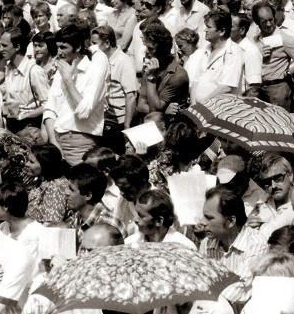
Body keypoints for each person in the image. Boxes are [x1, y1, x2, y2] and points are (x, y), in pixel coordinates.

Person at [43, 23, 109, 165]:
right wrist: (53, 141)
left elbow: (83, 112)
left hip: (80, 142)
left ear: (78, 47)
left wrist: (68, 80)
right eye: (58, 47)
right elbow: (50, 109)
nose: (59, 52)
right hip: (55, 138)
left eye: (64, 47)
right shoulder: (61, 70)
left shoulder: (94, 72)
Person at [199, 185, 268, 310]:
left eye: (209, 218)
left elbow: (237, 289)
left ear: (231, 221)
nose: (202, 222)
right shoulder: (206, 243)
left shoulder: (256, 245)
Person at [125, 188, 196, 249]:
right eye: (137, 214)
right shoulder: (129, 244)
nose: (135, 220)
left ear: (159, 221)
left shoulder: (184, 247)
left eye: (141, 216)